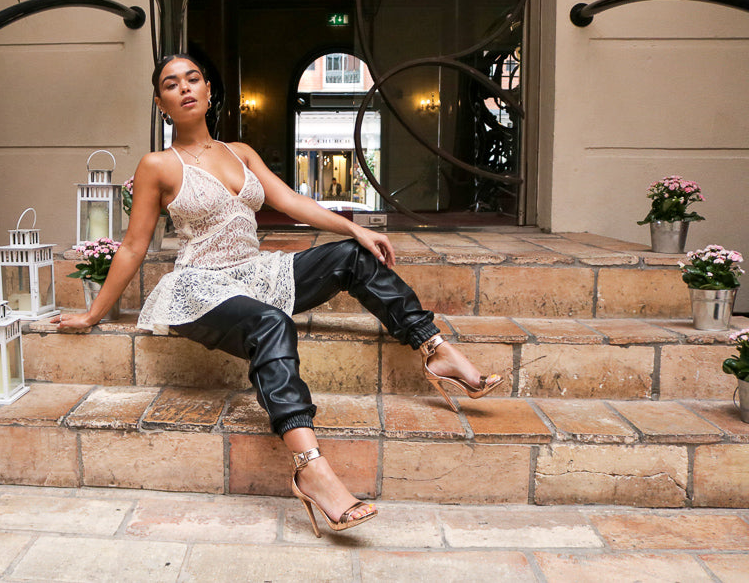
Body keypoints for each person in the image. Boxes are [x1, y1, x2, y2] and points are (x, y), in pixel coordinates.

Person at [54, 54, 503, 538]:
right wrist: (94, 313)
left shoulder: (240, 153)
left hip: (256, 273)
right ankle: (311, 468)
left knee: (351, 256)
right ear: (161, 103)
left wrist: (355, 227)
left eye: (193, 78)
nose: (184, 88)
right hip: (200, 288)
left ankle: (435, 349)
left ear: (208, 91)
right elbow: (134, 245)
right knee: (271, 322)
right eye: (170, 84)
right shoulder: (157, 165)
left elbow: (291, 201)